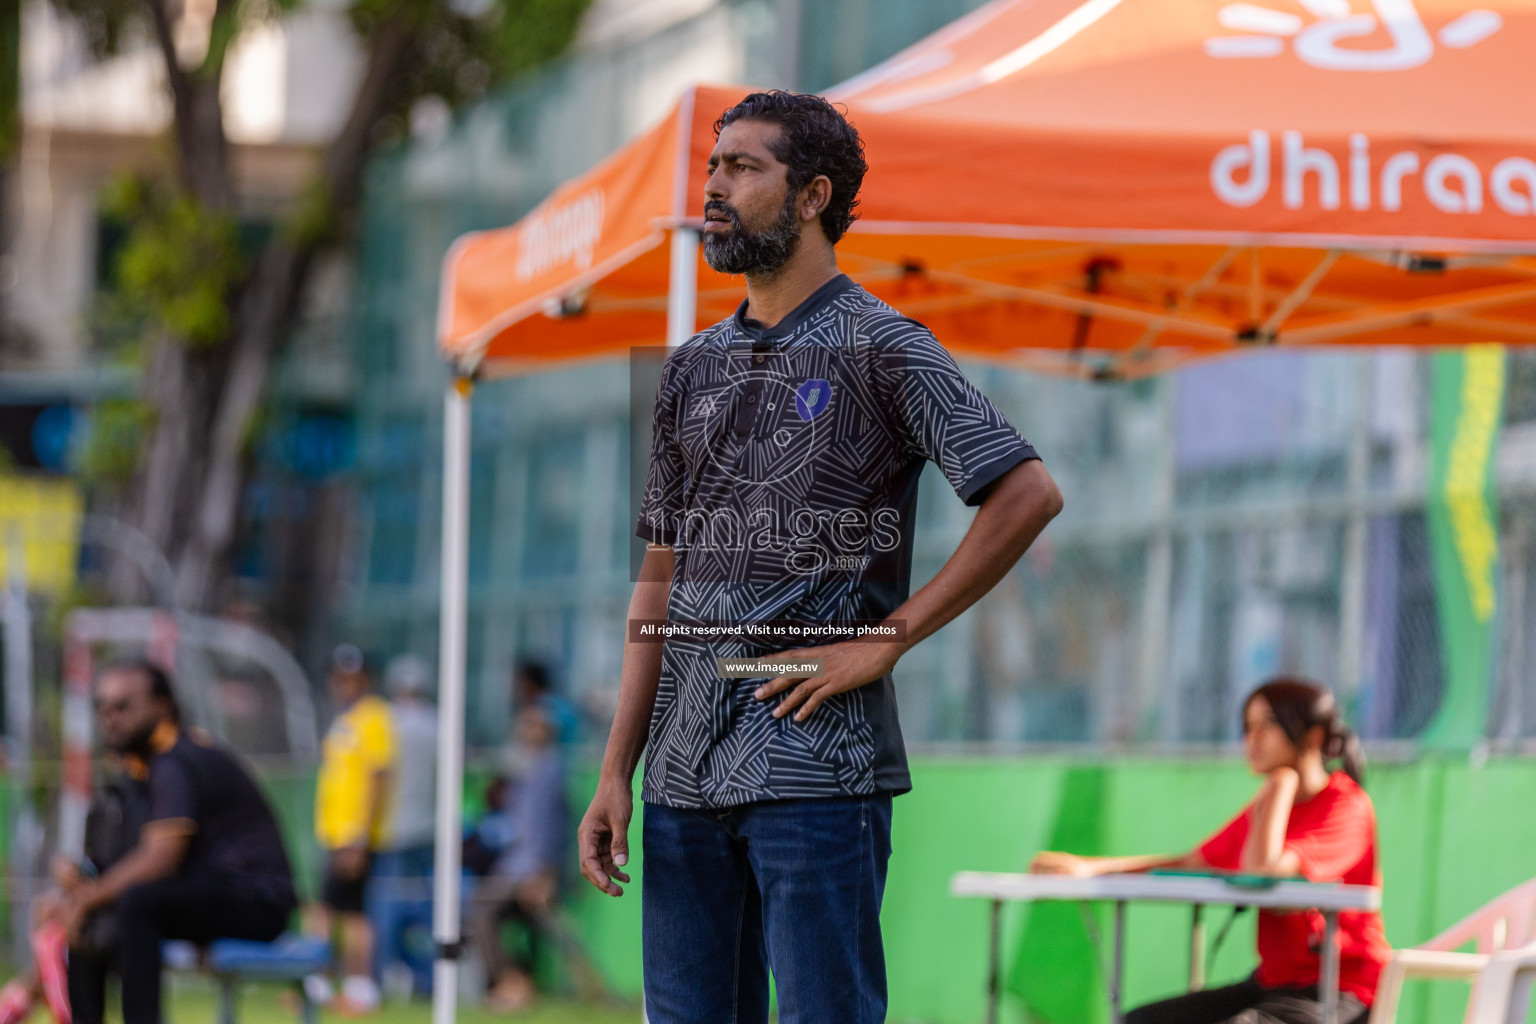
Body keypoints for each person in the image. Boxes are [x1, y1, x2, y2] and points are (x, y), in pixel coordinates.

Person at [577, 90, 1063, 1024]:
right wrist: (616, 770)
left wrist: (889, 637)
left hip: (816, 765)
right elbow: (660, 579)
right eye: (713, 166)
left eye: (742, 168)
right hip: (679, 776)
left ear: (812, 196)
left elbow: (1028, 492)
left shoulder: (889, 347)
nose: (713, 187)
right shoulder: (687, 369)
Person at [1031, 677, 1392, 1024]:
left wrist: (1280, 784)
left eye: (1268, 725)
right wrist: (1090, 870)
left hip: (1341, 990)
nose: (1253, 739)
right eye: (1248, 727)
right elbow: (1191, 861)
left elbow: (1261, 875)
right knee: (1140, 1020)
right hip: (1272, 984)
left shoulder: (1346, 807)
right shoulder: (1268, 808)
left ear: (1312, 737)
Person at [59, 660, 297, 1024]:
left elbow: (159, 862)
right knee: (104, 909)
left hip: (256, 900)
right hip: (210, 893)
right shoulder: (145, 771)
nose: (110, 717)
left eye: (123, 705)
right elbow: (130, 863)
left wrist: (88, 898)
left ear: (162, 705)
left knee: (135, 903)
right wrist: (81, 886)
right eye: (102, 706)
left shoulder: (178, 762)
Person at [306, 644, 396, 1014]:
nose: (345, 684)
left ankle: (355, 988)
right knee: (333, 910)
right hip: (335, 832)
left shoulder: (373, 717)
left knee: (351, 914)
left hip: (353, 835)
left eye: (352, 676)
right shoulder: (346, 718)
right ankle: (324, 984)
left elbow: (378, 778)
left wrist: (359, 835)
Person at [470, 706, 570, 1013]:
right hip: (517, 867)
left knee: (479, 910)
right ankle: (511, 980)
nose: (526, 731)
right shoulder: (527, 768)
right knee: (485, 914)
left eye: (534, 725)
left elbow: (552, 826)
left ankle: (510, 982)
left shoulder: (549, 769)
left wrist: (543, 874)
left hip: (530, 871)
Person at [367, 654, 438, 997]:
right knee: (429, 910)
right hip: (428, 828)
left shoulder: (385, 722)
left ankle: (384, 975)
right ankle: (428, 978)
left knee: (385, 908)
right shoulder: (438, 724)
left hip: (391, 829)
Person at [512, 661, 581, 747]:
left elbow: (543, 734)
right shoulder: (553, 703)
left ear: (528, 683)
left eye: (520, 681)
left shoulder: (545, 705)